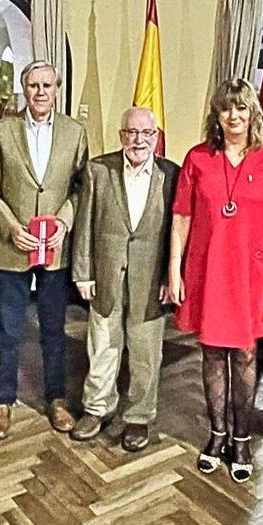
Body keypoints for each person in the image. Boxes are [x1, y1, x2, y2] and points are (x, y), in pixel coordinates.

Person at [168, 78, 263, 483]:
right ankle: (217, 434)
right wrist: (174, 269)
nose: (234, 116)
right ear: (217, 115)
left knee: (244, 355)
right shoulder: (197, 158)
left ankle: (241, 438)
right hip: (207, 271)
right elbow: (182, 217)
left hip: (253, 276)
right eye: (226, 109)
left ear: (252, 113)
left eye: (241, 109)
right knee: (210, 354)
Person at [0, 60, 88, 439]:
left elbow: (79, 187)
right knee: (8, 330)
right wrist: (10, 228)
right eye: (33, 86)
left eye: (47, 85)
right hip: (11, 249)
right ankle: (3, 400)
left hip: (55, 250)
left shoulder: (75, 132)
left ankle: (56, 399)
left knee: (54, 330)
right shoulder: (2, 131)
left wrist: (64, 222)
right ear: (24, 89)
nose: (40, 92)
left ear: (57, 89)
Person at [70, 107, 179, 451]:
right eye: (131, 133)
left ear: (156, 137)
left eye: (146, 133)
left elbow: (177, 234)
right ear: (121, 136)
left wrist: (171, 277)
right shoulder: (99, 170)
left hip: (151, 282)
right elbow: (84, 225)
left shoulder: (171, 175)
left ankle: (139, 417)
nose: (138, 140)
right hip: (104, 277)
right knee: (102, 346)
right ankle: (96, 408)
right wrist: (83, 273)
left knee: (146, 354)